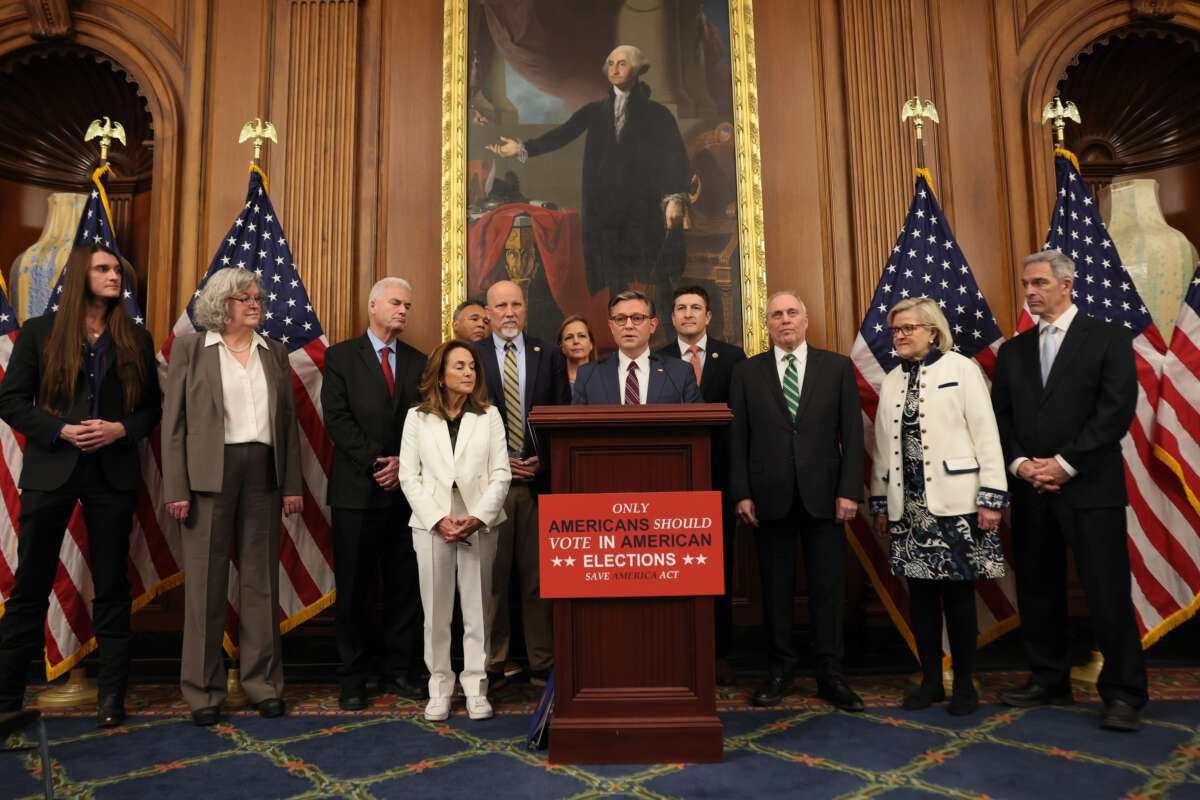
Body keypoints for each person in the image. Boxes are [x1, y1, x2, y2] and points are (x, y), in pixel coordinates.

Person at [0, 243, 160, 729]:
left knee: (112, 586)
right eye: (104, 269)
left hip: (111, 474)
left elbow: (150, 410)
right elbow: (10, 400)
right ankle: (6, 699)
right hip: (52, 470)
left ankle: (112, 697)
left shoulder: (135, 337)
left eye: (118, 271)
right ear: (79, 275)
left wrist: (119, 429)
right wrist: (60, 429)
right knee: (29, 587)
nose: (116, 277)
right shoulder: (39, 332)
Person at [991, 250, 1147, 732]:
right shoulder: (1013, 351)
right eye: (1025, 284)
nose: (1030, 292)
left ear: (1067, 284)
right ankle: (1048, 679)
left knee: (1106, 591)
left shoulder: (1108, 338)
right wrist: (1022, 466)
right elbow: (1002, 417)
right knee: (1038, 590)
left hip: (1091, 488)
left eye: (1038, 282)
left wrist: (1064, 464)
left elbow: (1115, 411)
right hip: (1032, 491)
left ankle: (1123, 693)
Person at [162, 269, 303, 727]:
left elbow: (287, 426)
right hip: (207, 477)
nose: (255, 304)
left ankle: (262, 684)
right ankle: (204, 691)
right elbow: (175, 426)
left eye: (257, 297)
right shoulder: (190, 350)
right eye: (245, 298)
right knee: (205, 584)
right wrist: (177, 488)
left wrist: (293, 485)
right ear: (222, 304)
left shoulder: (275, 353)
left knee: (261, 581)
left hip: (263, 472)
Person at [869, 297, 1007, 715]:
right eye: (895, 330)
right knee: (923, 601)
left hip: (958, 506)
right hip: (908, 510)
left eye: (907, 328)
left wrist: (991, 497)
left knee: (960, 599)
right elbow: (880, 446)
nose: (900, 336)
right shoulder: (891, 379)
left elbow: (986, 434)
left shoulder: (962, 369)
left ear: (933, 330)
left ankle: (964, 683)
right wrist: (879, 501)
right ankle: (931, 680)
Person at [728, 291, 864, 711]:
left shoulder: (837, 367)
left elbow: (853, 435)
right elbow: (738, 440)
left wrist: (849, 490)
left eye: (791, 313)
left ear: (805, 320)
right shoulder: (746, 373)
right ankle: (780, 672)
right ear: (766, 324)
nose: (784, 321)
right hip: (768, 498)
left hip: (826, 496)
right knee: (775, 590)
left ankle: (831, 675)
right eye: (776, 315)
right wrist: (742, 493)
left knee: (827, 589)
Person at [487, 45, 690, 320]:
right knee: (614, 280)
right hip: (604, 213)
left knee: (656, 277)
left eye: (622, 64)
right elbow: (562, 134)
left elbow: (675, 157)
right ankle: (622, 336)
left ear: (638, 70)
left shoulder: (658, 114)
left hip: (643, 211)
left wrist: (675, 197)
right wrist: (522, 148)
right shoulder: (595, 111)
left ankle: (665, 343)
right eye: (611, 63)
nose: (615, 69)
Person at [321, 278, 427, 710]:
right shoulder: (341, 356)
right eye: (396, 303)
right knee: (354, 587)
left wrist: (403, 464)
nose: (403, 310)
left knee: (405, 587)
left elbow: (427, 421)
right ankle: (354, 676)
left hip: (407, 492)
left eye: (408, 304)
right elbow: (337, 418)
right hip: (355, 491)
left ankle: (400, 670)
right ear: (373, 305)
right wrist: (377, 463)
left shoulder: (421, 362)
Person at [398, 340, 512, 721]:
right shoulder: (417, 417)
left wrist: (478, 516)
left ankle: (477, 688)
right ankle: (440, 689)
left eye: (472, 368)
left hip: (478, 523)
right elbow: (408, 476)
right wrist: (437, 519)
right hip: (432, 524)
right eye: (459, 366)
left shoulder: (489, 415)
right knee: (436, 612)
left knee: (478, 611)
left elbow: (501, 474)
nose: (468, 373)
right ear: (440, 375)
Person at [472, 280, 568, 687]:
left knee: (538, 579)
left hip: (536, 484)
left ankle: (541, 662)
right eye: (500, 306)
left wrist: (543, 460)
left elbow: (562, 416)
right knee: (491, 580)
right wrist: (500, 463)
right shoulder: (470, 357)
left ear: (526, 310)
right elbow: (460, 421)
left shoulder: (548, 354)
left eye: (516, 304)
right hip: (487, 485)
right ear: (488, 313)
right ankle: (492, 663)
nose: (509, 312)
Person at [654, 285, 745, 684]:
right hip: (671, 482)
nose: (688, 314)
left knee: (717, 571)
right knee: (672, 571)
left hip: (720, 479)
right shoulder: (657, 359)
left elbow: (741, 425)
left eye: (696, 308)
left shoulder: (734, 358)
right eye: (680, 308)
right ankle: (674, 652)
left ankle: (719, 653)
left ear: (709, 317)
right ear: (671, 318)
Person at [573, 289, 702, 405]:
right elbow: (575, 426)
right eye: (620, 319)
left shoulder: (679, 373)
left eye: (637, 318)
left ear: (652, 325)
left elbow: (699, 423)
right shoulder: (588, 375)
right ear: (611, 326)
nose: (628, 325)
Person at [555, 313, 597, 394]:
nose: (576, 341)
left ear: (591, 344)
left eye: (581, 336)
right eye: (569, 337)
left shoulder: (605, 379)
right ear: (561, 347)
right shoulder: (552, 383)